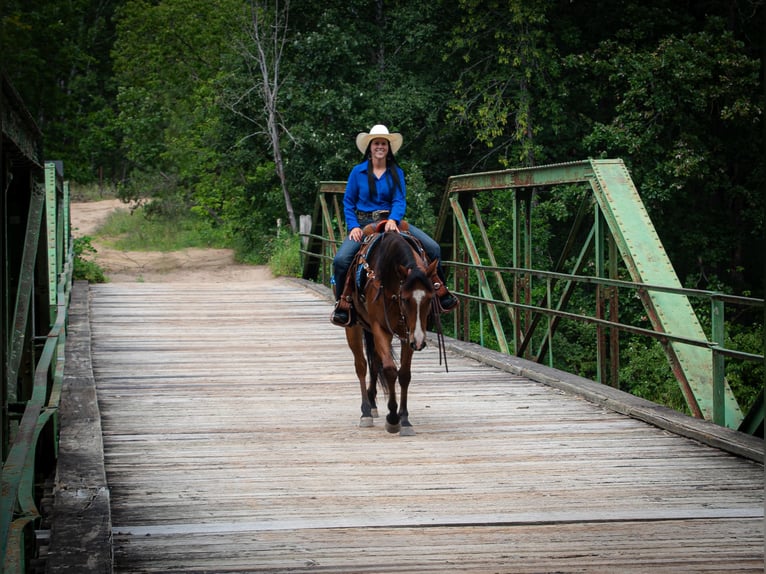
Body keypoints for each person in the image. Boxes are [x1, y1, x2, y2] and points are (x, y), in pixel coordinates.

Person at [331, 124, 458, 326]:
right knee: (340, 260)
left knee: (433, 248)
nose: (380, 147)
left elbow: (399, 199)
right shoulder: (358, 172)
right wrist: (353, 226)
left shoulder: (396, 172)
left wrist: (393, 219)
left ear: (388, 148)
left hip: (392, 222)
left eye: (383, 143)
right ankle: (343, 303)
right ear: (370, 147)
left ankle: (439, 294)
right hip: (364, 223)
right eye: (376, 143)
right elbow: (348, 202)